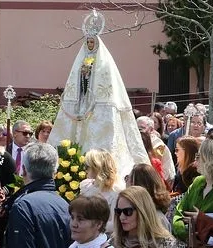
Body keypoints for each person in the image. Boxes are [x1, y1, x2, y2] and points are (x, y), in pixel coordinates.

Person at [49, 12, 149, 176]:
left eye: (92, 41)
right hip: (81, 104)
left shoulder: (105, 62)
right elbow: (75, 82)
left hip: (98, 105)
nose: (89, 44)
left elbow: (106, 84)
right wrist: (84, 75)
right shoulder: (80, 61)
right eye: (88, 41)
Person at [80, 148, 124, 234]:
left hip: (104, 236)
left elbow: (115, 224)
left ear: (97, 168)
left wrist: (91, 227)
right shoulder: (86, 185)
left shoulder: (115, 192)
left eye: (87, 166)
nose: (85, 169)